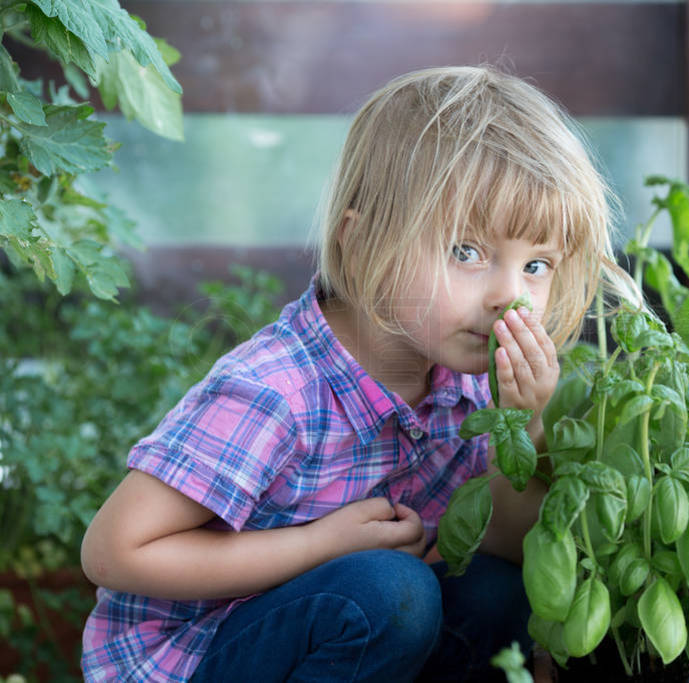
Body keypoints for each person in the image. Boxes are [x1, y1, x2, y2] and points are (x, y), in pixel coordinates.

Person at [79, 65, 637, 682]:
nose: (511, 295)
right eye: (466, 252)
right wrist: (321, 546)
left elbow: (501, 545)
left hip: (335, 640)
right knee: (387, 592)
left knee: (498, 593)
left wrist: (525, 427)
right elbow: (115, 551)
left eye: (536, 264)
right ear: (361, 241)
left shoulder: (468, 383)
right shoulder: (277, 391)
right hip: (191, 655)